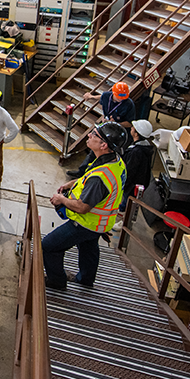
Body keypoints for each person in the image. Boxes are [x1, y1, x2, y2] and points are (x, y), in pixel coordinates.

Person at [42, 122, 128, 290]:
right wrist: (72, 184)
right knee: (89, 247)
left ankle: (57, 281)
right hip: (101, 222)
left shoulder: (100, 177)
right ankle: (86, 280)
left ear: (104, 145)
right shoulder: (116, 161)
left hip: (87, 222)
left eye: (94, 134)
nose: (89, 135)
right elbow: (91, 178)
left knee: (49, 245)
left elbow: (82, 207)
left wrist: (61, 199)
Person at [67, 82, 135, 179]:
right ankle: (81, 172)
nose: (121, 99)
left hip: (117, 133)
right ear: (113, 93)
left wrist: (116, 123)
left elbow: (130, 122)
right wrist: (90, 96)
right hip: (106, 128)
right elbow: (102, 97)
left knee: (112, 154)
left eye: (123, 98)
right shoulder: (107, 96)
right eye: (118, 97)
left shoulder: (129, 104)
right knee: (94, 149)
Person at [113, 119, 154, 232]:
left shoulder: (136, 152)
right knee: (125, 202)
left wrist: (123, 184)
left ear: (136, 133)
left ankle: (124, 223)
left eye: (133, 128)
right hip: (139, 182)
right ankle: (121, 211)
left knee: (129, 204)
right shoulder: (144, 147)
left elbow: (130, 171)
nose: (131, 128)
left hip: (133, 185)